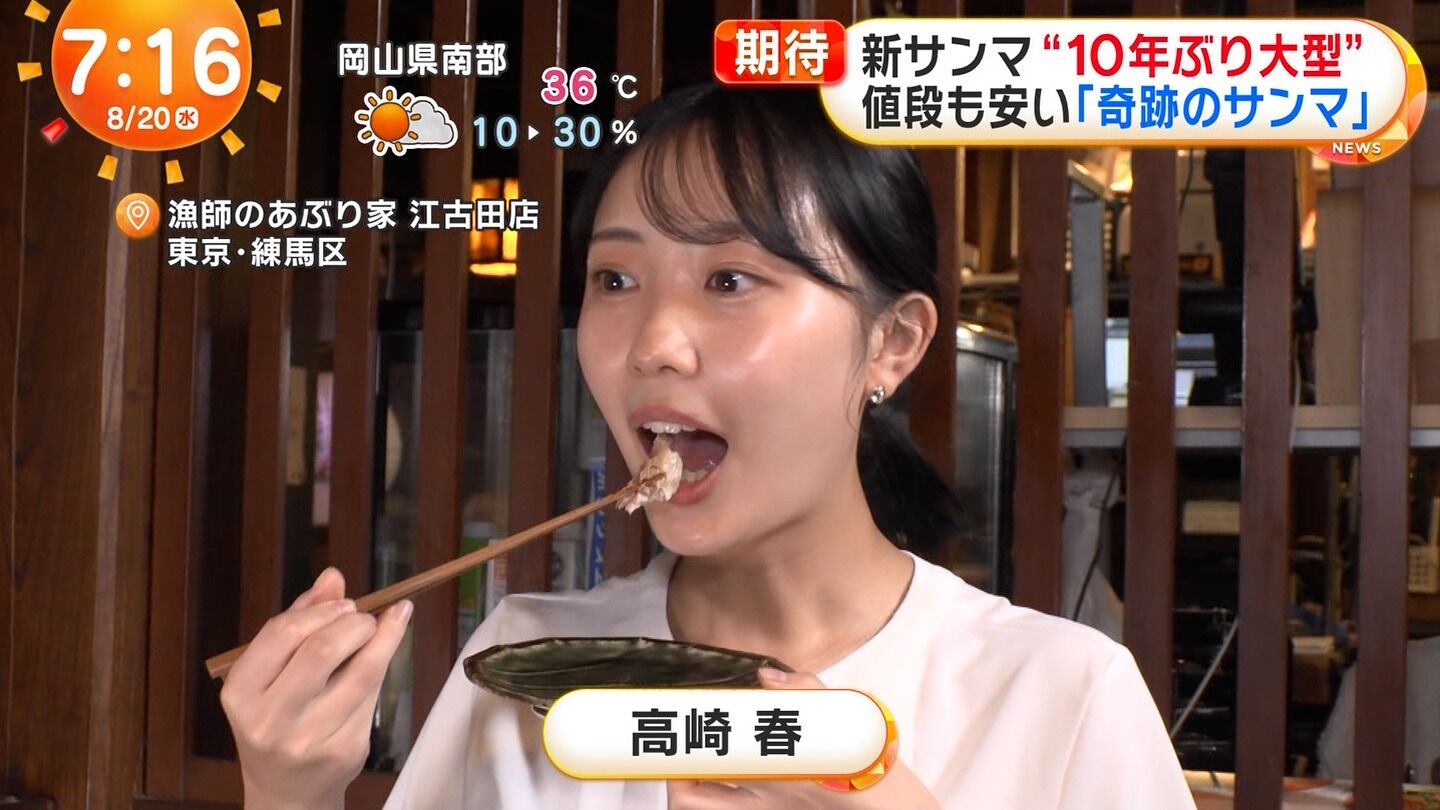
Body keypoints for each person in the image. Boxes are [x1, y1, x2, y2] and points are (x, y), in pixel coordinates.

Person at [220, 84, 1197, 810]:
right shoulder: (524, 663)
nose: (653, 343)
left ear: (892, 343)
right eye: (615, 280)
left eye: (730, 280)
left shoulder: (1060, 694)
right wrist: (291, 794)